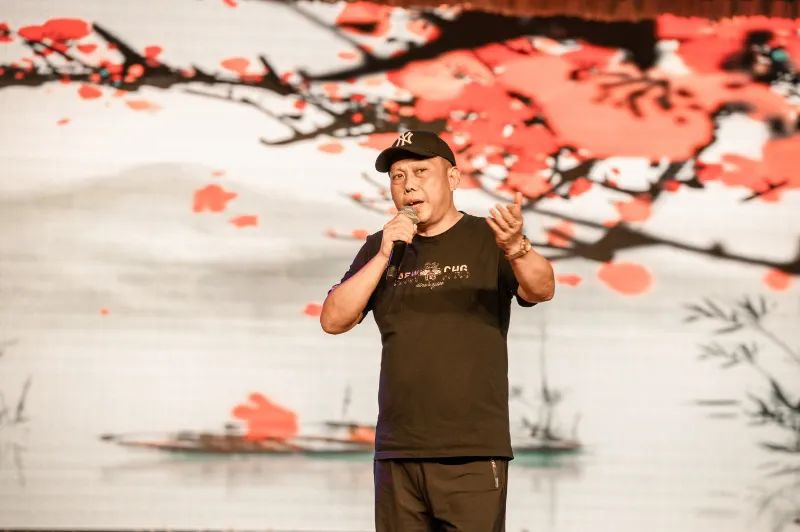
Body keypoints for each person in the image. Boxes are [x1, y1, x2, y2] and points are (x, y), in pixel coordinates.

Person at [320, 130, 555, 532]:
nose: (408, 185)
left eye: (420, 172)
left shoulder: (489, 238)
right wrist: (383, 254)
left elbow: (541, 288)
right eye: (397, 176)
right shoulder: (382, 245)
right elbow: (333, 320)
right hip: (398, 451)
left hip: (471, 451)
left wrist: (516, 247)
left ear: (453, 178)